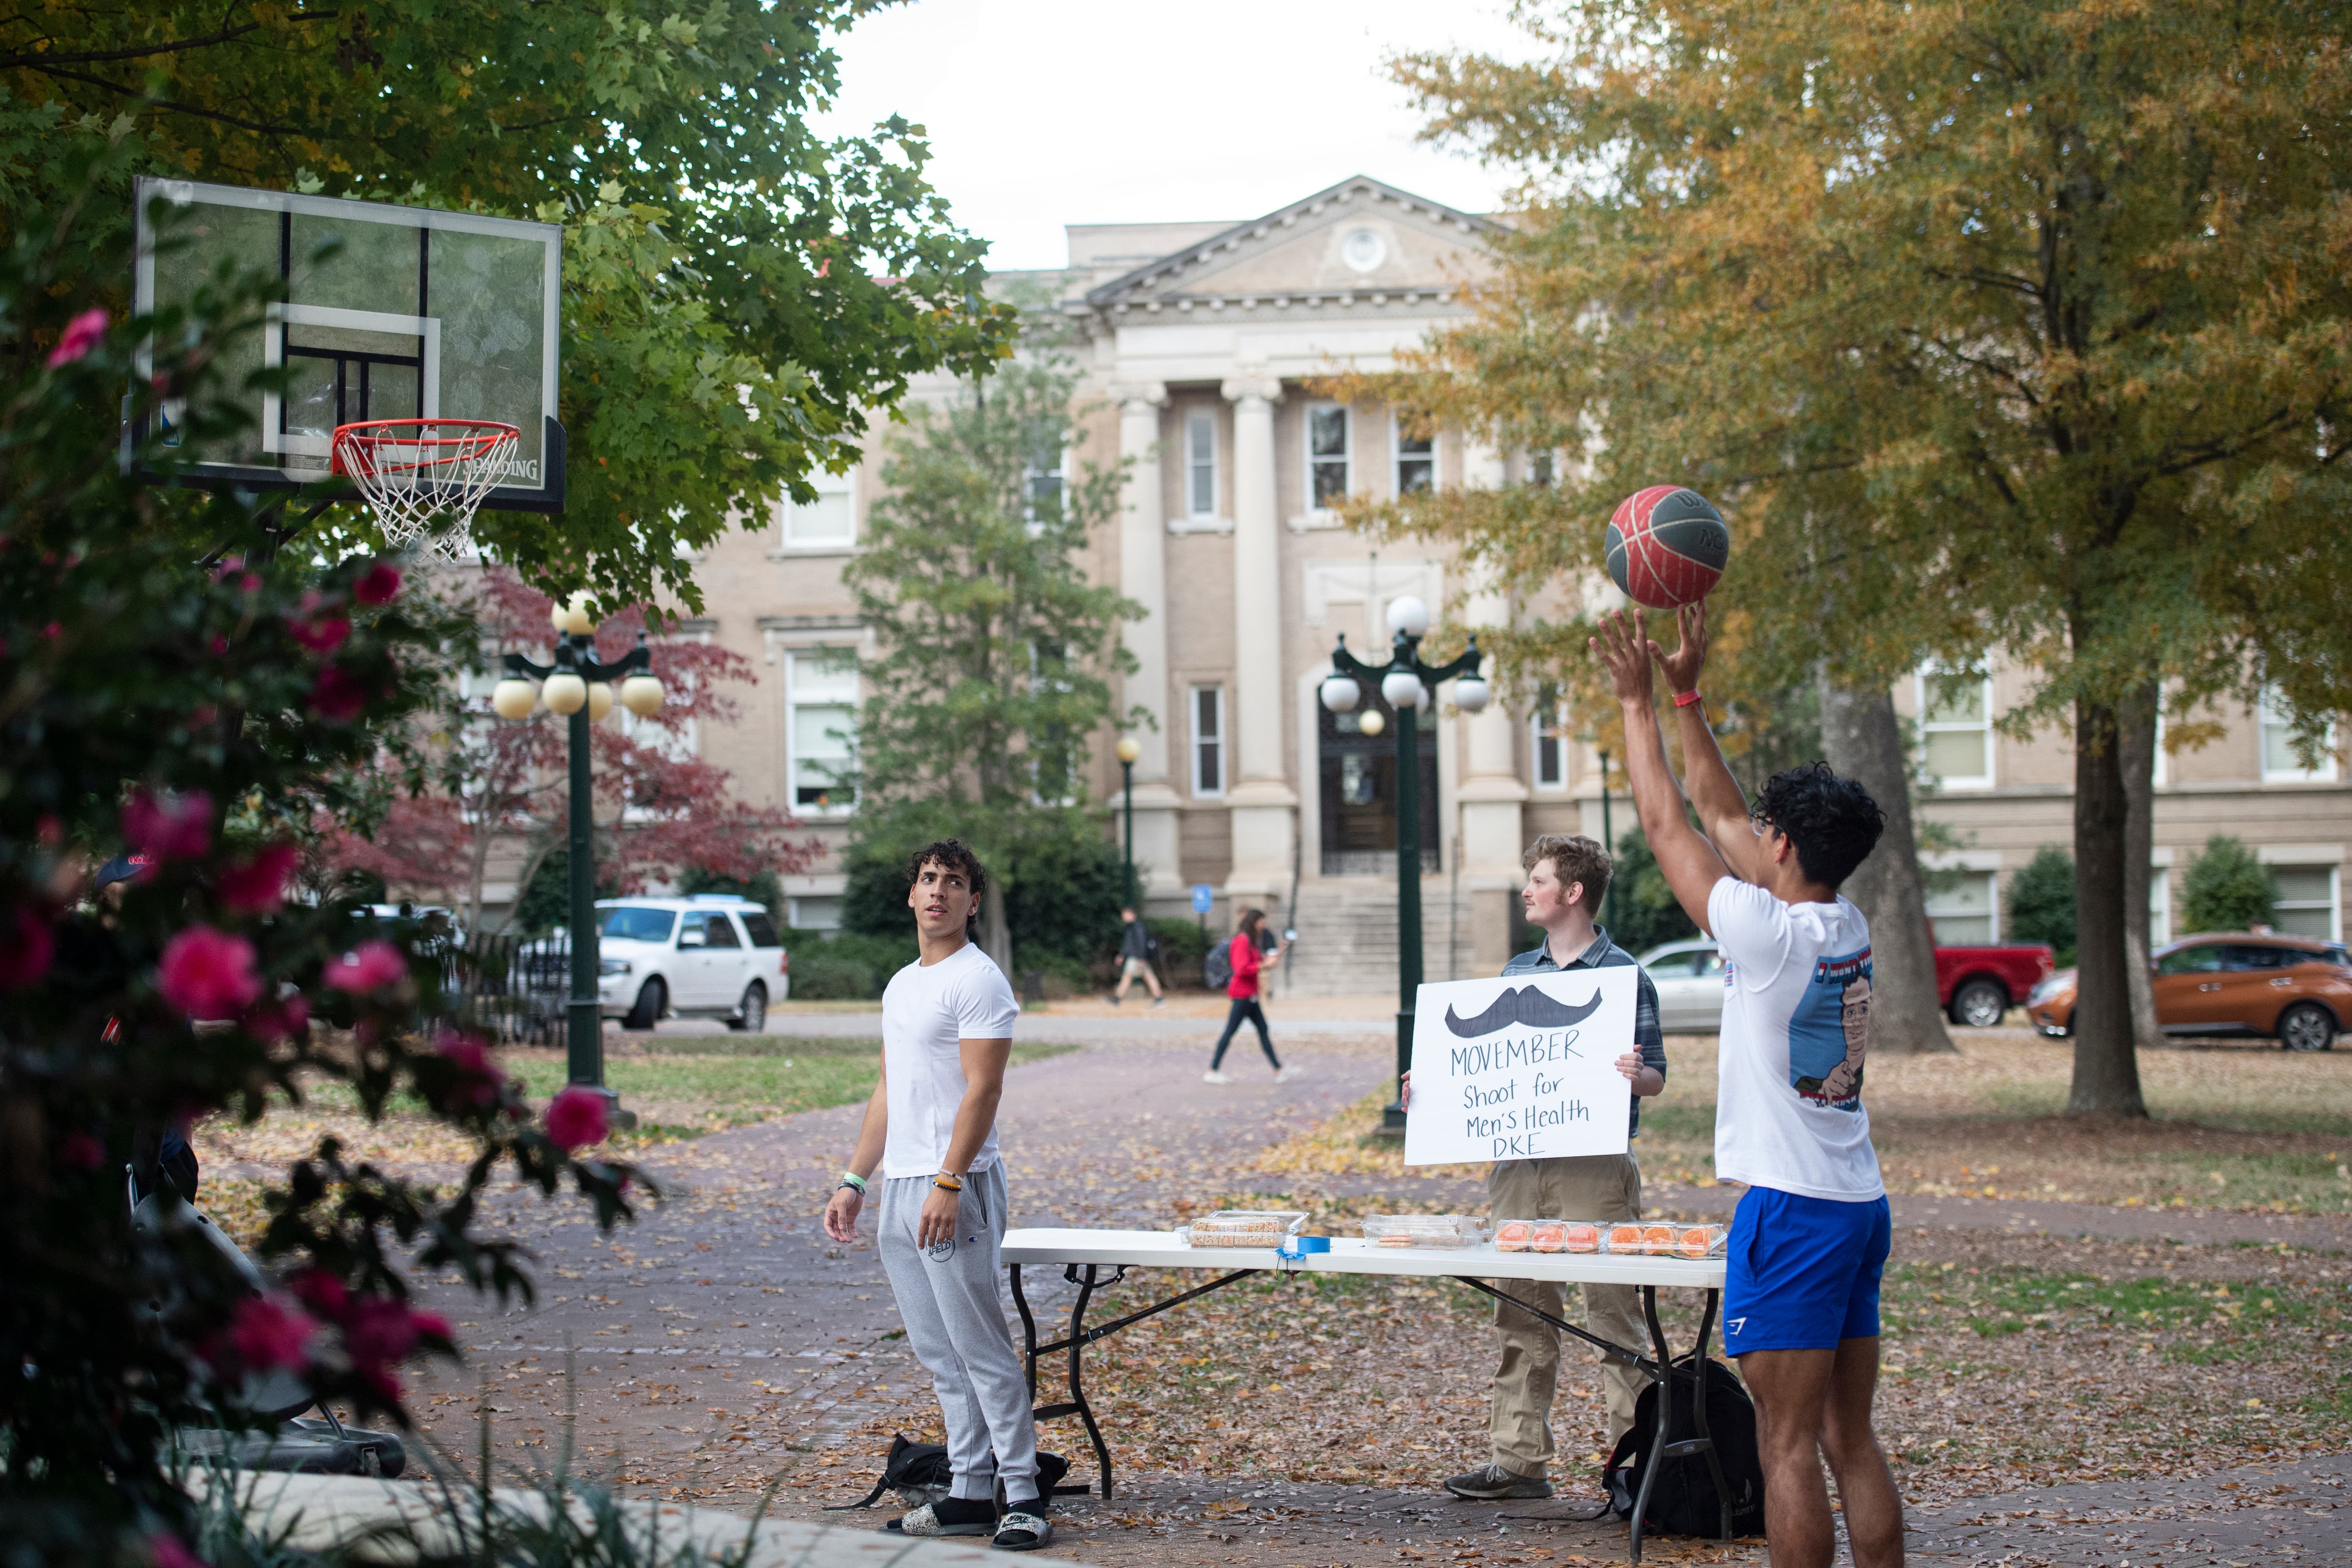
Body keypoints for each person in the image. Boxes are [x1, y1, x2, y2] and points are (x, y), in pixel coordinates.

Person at [1594, 602, 1900, 1568]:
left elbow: (1666, 822)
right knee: (1849, 1438)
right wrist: (1688, 692)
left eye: (1766, 831)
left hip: (1794, 1212)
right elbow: (1722, 813)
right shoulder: (1839, 921)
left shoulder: (1764, 937)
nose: (1750, 832)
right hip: (1857, 1200)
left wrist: (1636, 704)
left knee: (1782, 1444)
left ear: (1782, 853)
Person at [1406, 835, 1667, 1501]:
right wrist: (1429, 1085)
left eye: (1539, 879)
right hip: (1518, 1167)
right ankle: (1518, 1462)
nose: (1528, 889)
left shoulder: (1624, 975)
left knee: (1612, 1315)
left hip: (1594, 1169)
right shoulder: (1516, 970)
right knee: (1521, 1311)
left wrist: (1640, 1076)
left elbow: (1658, 1077)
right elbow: (1483, 1064)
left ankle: (1638, 1469)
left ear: (1573, 894)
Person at [822, 840, 1053, 1552]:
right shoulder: (901, 985)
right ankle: (967, 1492)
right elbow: (890, 1090)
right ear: (911, 893)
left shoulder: (979, 980)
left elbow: (983, 1090)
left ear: (971, 901)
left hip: (956, 1182)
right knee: (938, 1352)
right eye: (928, 879)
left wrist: (950, 1181)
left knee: (980, 1347)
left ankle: (1022, 1496)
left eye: (954, 883)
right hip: (900, 1184)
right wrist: (855, 1178)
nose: (938, 892)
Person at [1204, 907, 1294, 1084]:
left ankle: (1278, 1069)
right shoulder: (1242, 941)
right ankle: (1213, 1069)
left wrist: (1273, 958)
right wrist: (1263, 965)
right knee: (1231, 1032)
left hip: (1250, 995)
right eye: (1262, 922)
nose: (1264, 925)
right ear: (1255, 922)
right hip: (1242, 994)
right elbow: (1241, 969)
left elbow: (1258, 963)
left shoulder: (1251, 942)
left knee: (1263, 1030)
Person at [1108, 906, 1165, 1007]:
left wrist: (1141, 958)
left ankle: (1117, 1000)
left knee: (1127, 977)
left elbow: (1141, 943)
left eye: (1126, 915)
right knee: (1149, 977)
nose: (1124, 917)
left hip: (1136, 958)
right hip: (1136, 957)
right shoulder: (1130, 928)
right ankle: (1159, 999)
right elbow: (1128, 944)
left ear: (1132, 915)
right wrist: (1122, 955)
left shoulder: (1137, 927)